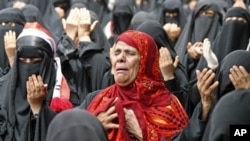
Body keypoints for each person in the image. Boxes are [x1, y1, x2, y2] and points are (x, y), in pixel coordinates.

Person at [79, 30, 189, 141]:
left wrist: (142, 133)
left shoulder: (168, 105)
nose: (120, 58)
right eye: (117, 53)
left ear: (145, 61)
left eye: (130, 53)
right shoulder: (96, 100)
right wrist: (95, 125)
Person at [0, 22, 72, 141]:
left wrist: (39, 109)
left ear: (47, 63)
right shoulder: (2, 89)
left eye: (34, 60)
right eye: (23, 60)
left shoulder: (62, 95)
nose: (28, 65)